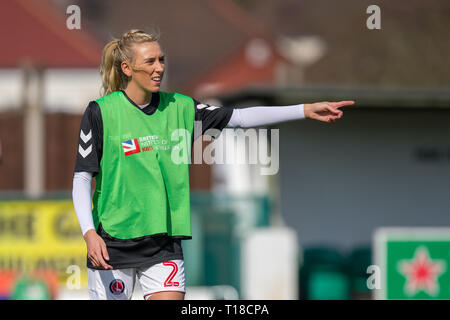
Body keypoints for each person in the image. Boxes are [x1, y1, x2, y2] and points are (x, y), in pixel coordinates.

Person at [72, 29, 354, 300]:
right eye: (150, 61)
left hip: (163, 245)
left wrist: (303, 110)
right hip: (113, 244)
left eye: (162, 60)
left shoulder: (181, 108)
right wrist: (89, 233)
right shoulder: (101, 113)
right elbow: (83, 178)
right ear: (127, 68)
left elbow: (241, 118)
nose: (159, 67)